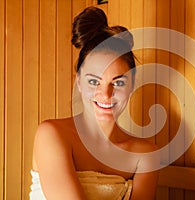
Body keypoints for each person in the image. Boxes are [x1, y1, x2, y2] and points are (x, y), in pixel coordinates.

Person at [30, 6, 159, 200]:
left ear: (132, 85)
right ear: (79, 82)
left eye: (118, 82)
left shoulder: (146, 155)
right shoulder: (52, 135)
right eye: (94, 81)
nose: (105, 94)